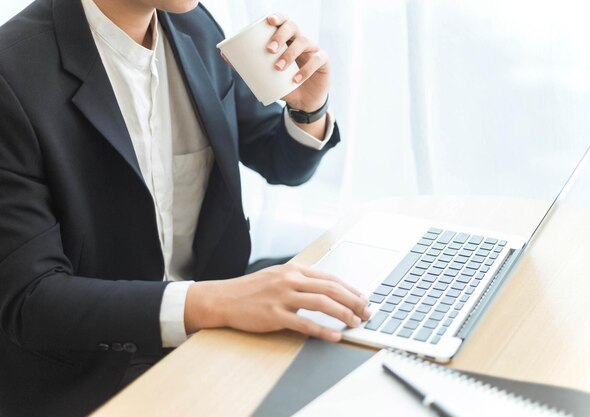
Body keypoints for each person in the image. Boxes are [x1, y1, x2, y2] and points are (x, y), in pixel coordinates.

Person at [0, 0, 371, 415]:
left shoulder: (192, 23)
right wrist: (219, 302)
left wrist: (308, 108)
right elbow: (31, 300)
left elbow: (277, 160)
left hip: (219, 332)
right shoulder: (12, 72)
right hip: (94, 372)